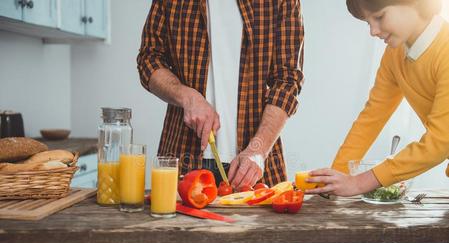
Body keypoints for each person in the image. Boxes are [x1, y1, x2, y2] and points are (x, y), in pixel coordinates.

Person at [137, 0, 304, 188]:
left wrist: (258, 150)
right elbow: (149, 59)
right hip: (183, 159)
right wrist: (188, 97)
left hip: (253, 167)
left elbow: (287, 81)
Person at [307, 0, 448, 197]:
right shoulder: (395, 54)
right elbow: (372, 116)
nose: (373, 31)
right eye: (368, 22)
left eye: (380, 17)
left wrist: (358, 183)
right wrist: (335, 178)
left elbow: (441, 142)